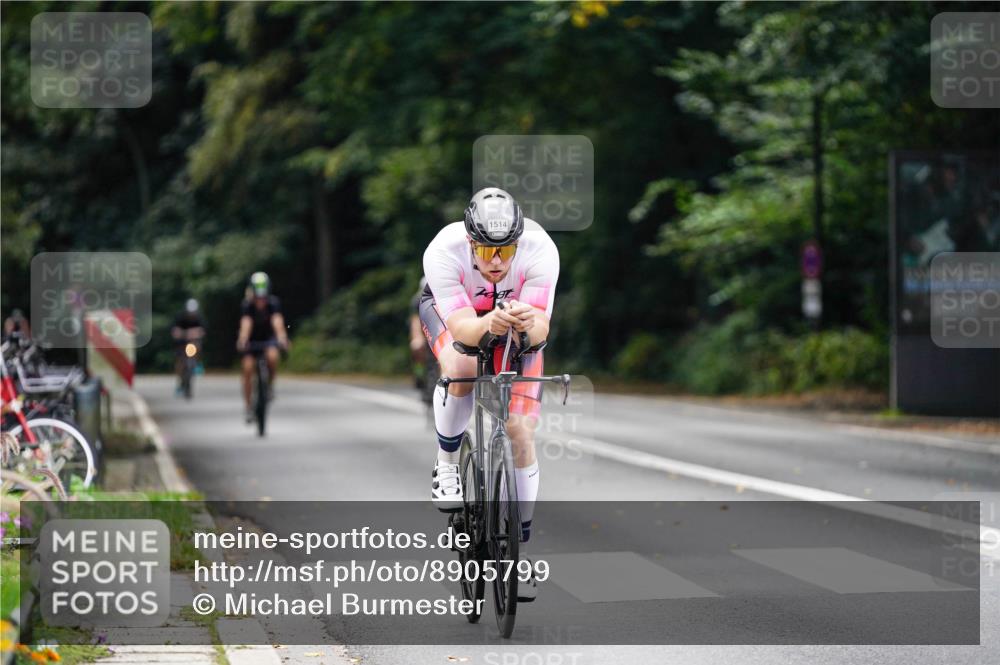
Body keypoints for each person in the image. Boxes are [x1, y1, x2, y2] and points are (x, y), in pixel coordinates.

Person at [419, 187, 559, 601]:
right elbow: (462, 330)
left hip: (513, 325)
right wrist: (489, 324)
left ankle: (519, 547)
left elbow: (540, 333)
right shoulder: (443, 251)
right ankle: (446, 463)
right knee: (461, 369)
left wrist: (524, 322)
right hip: (458, 315)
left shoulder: (540, 251)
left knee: (520, 430)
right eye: (485, 250)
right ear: (469, 241)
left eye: (506, 250)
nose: (496, 262)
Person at [236, 272, 289, 423]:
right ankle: (248, 408)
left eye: (263, 297)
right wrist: (243, 339)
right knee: (247, 369)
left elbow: (277, 321)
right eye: (258, 297)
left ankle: (269, 386)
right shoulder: (247, 305)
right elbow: (246, 323)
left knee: (272, 357)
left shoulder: (273, 303)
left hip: (268, 339)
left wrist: (282, 337)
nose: (261, 300)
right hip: (252, 341)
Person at [171, 299, 206, 394]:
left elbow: (202, 331)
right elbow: (174, 331)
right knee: (179, 361)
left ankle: (197, 363)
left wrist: (190, 334)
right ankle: (180, 382)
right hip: (181, 342)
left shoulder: (199, 318)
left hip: (192, 342)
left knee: (197, 346)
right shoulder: (180, 317)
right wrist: (186, 333)